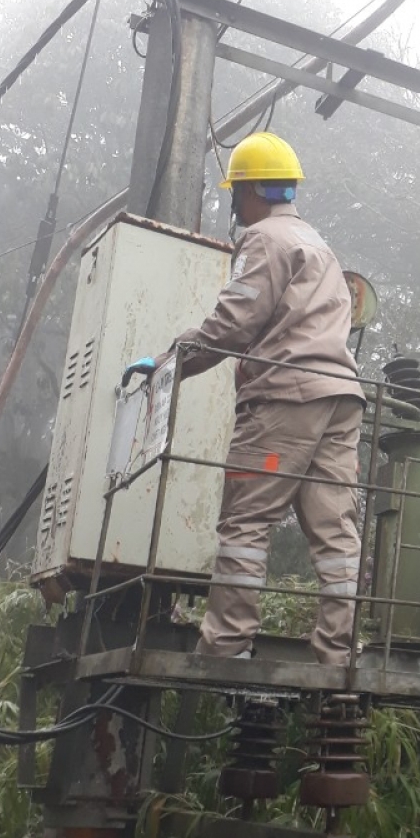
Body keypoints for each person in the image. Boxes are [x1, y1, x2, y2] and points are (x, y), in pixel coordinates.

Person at [163, 131, 365, 668]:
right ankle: (337, 653)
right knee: (334, 530)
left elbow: (235, 322)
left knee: (246, 522)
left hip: (284, 399)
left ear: (250, 192)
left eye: (236, 194)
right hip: (341, 400)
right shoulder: (322, 248)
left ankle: (226, 647)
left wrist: (170, 363)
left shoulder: (264, 241)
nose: (235, 206)